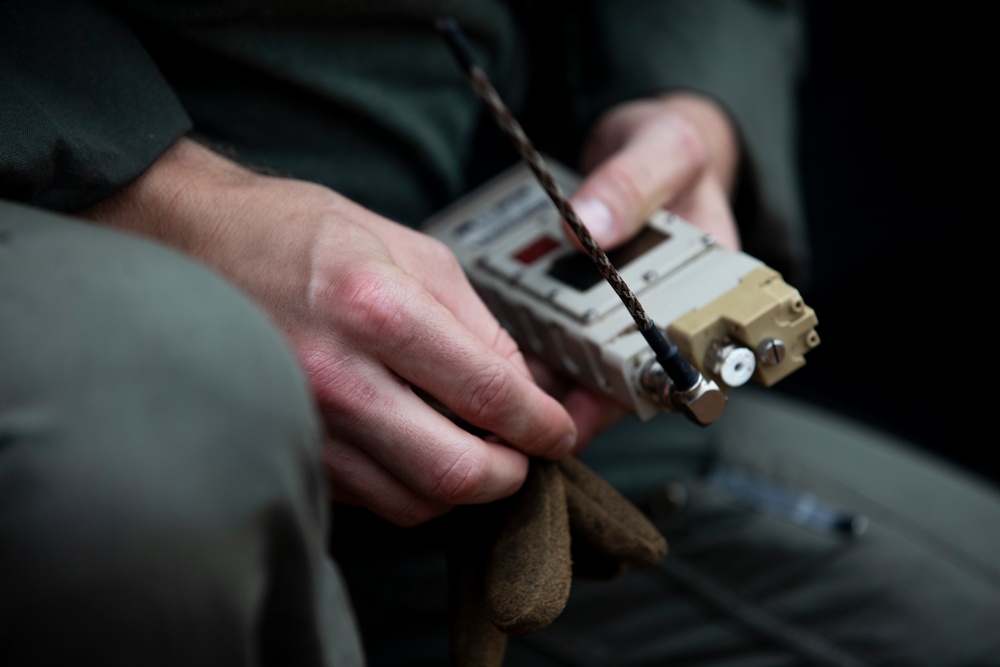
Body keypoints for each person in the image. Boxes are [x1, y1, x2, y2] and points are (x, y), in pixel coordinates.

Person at [2, 1, 998, 666]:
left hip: (587, 425)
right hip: (77, 241)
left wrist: (691, 95)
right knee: (130, 472)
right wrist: (160, 199)